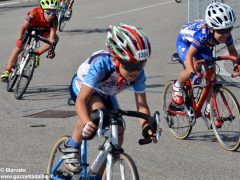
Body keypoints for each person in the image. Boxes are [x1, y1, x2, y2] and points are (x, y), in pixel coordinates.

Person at [63, 24, 156, 175]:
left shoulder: (138, 74)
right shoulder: (101, 65)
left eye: (141, 64)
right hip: (83, 86)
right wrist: (87, 122)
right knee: (98, 113)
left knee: (118, 128)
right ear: (116, 60)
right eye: (130, 66)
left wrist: (146, 125)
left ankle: (97, 175)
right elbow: (81, 101)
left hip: (105, 91)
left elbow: (142, 106)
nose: (135, 71)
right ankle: (72, 147)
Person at [171, 2, 239, 127]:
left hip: (204, 46)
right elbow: (190, 55)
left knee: (212, 79)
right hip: (186, 43)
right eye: (222, 31)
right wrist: (194, 70)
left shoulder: (225, 35)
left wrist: (236, 65)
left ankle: (209, 110)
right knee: (193, 69)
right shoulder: (203, 35)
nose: (225, 35)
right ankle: (177, 86)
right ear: (212, 29)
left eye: (228, 30)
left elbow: (232, 52)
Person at [0, 0, 61, 82]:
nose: (51, 15)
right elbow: (23, 27)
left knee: (56, 39)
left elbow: (52, 38)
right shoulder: (35, 12)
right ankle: (7, 71)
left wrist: (51, 49)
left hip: (43, 30)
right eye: (48, 12)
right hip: (30, 28)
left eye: (54, 13)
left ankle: (37, 54)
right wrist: (19, 39)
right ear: (42, 9)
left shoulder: (54, 20)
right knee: (19, 47)